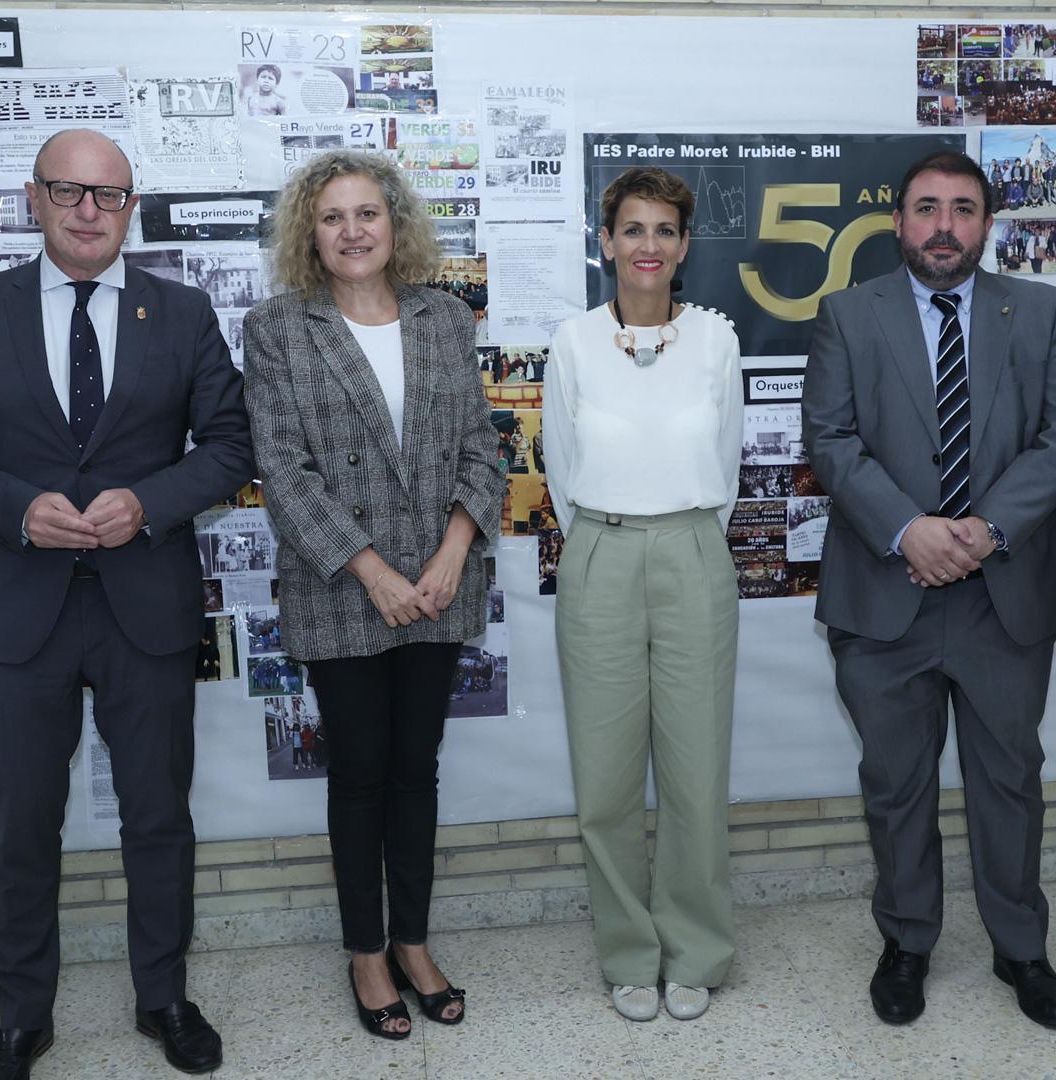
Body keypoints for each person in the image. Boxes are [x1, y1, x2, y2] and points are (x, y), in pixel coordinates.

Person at [0, 128, 252, 1080]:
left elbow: (228, 446)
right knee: (21, 824)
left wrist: (152, 503)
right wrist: (15, 509)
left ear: (131, 206)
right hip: (19, 616)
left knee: (158, 818)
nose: (90, 210)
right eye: (69, 191)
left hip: (148, 607)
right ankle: (22, 1018)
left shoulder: (180, 312)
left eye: (110, 194)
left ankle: (165, 998)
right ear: (34, 199)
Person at [802, 150, 1056, 1032]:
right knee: (896, 783)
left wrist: (982, 531)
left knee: (1010, 777)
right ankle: (907, 940)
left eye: (962, 209)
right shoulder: (848, 314)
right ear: (898, 221)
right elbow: (831, 438)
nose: (943, 225)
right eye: (926, 208)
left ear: (987, 224)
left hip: (1003, 590)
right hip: (885, 592)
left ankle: (1021, 948)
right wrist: (911, 531)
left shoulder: (1040, 311)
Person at [243, 151, 501, 1040]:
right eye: (332, 217)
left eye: (367, 213)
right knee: (357, 777)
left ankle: (414, 941)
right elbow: (282, 469)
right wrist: (373, 570)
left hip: (437, 586)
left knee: (415, 771)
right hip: (345, 589)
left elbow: (480, 445)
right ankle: (365, 952)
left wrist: (453, 551)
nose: (352, 231)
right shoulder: (279, 327)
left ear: (396, 224)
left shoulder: (443, 319)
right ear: (308, 235)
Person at [543, 167, 743, 1022]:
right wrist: (607, 539)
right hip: (600, 554)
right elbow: (559, 474)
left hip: (695, 550)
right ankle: (628, 952)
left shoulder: (717, 342)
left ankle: (695, 950)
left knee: (696, 774)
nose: (648, 246)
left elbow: (727, 467)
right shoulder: (572, 343)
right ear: (606, 242)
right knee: (608, 780)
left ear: (685, 244)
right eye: (633, 229)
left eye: (665, 230)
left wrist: (684, 535)